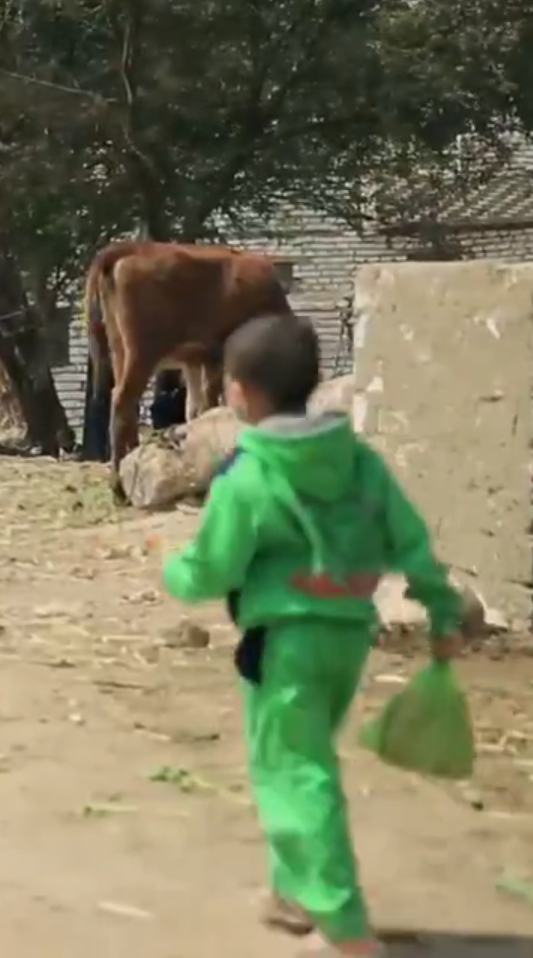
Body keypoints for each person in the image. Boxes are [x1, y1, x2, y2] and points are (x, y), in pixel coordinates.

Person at [161, 313, 463, 956]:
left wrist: (175, 572)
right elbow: (410, 538)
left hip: (282, 642)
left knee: (293, 771)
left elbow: (213, 568)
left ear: (238, 391)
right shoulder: (359, 462)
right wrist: (441, 609)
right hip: (347, 637)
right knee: (303, 759)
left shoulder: (248, 474)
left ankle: (344, 925)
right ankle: (294, 893)